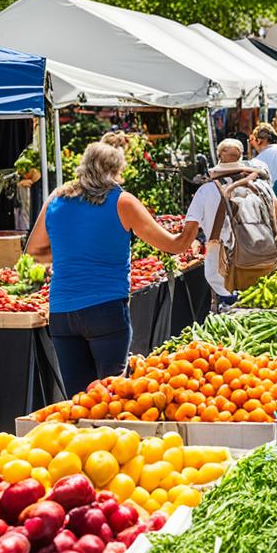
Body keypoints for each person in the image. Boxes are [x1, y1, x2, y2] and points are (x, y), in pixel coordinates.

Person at [26, 143, 196, 396]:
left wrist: (70, 253)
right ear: (115, 170)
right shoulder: (122, 201)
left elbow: (34, 251)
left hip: (62, 311)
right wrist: (196, 221)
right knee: (112, 395)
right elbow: (173, 246)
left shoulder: (56, 199)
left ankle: (81, 435)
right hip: (105, 309)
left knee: (78, 398)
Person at [180, 138, 277, 308]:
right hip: (266, 275)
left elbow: (187, 236)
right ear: (242, 157)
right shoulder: (262, 188)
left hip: (225, 280)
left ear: (219, 158)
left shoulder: (206, 191)